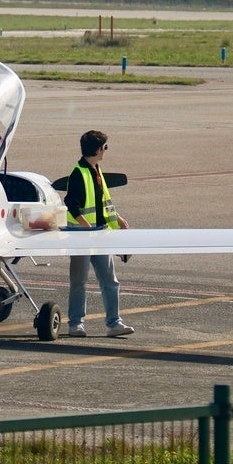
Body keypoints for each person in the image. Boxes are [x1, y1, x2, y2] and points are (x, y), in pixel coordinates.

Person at [64, 129, 134, 338]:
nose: (106, 150)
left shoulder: (96, 169)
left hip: (100, 234)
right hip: (82, 236)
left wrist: (117, 217)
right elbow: (71, 204)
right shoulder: (79, 172)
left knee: (110, 281)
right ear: (97, 150)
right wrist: (86, 227)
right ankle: (75, 324)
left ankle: (114, 323)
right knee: (79, 282)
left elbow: (102, 201)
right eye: (105, 147)